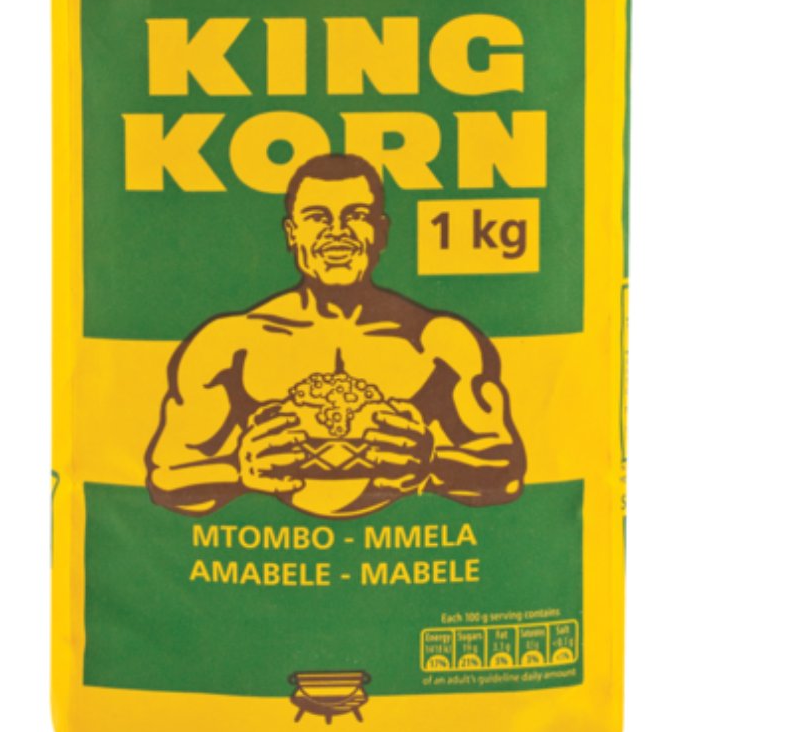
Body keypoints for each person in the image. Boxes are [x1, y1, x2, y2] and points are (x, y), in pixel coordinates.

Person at [145, 153, 526, 518]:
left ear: (381, 232)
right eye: (317, 218)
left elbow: (506, 470)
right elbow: (167, 475)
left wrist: (432, 464)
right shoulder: (230, 344)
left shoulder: (439, 341)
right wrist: (239, 471)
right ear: (291, 234)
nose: (338, 233)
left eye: (356, 216)